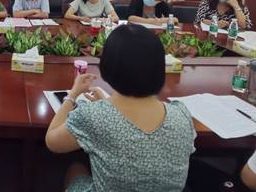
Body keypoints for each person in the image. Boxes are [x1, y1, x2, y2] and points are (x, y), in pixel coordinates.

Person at [45, 24, 196, 192]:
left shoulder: (93, 116)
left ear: (108, 67)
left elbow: (52, 141)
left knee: (75, 168)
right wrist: (107, 103)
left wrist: (72, 95)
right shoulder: (181, 114)